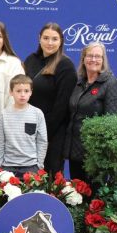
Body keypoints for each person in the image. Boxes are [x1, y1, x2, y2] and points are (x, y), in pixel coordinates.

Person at [64, 41, 117, 184]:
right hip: (75, 151)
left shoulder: (111, 84)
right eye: (89, 56)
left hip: (95, 154)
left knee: (94, 199)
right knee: (77, 195)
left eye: (98, 56)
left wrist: (103, 153)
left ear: (103, 61)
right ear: (83, 59)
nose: (93, 59)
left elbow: (112, 122)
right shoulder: (78, 83)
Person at [24, 22, 77, 175]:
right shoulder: (30, 60)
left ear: (61, 41)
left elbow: (61, 108)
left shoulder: (65, 66)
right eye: (46, 38)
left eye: (54, 39)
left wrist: (42, 134)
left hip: (52, 135)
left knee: (49, 179)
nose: (49, 42)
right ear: (39, 38)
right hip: (28, 130)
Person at [0, 74, 47, 177]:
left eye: (26, 91)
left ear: (31, 92)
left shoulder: (37, 113)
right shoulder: (4, 114)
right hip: (7, 166)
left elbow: (42, 141)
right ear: (11, 92)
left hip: (31, 166)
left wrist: (39, 165)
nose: (22, 95)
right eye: (18, 91)